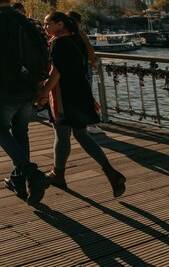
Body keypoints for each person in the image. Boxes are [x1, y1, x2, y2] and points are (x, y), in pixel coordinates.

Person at [38, 12, 126, 197]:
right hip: (81, 92)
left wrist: (43, 94)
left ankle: (59, 173)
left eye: (48, 24)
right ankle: (108, 171)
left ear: (59, 24)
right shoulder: (76, 38)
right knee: (79, 133)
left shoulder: (58, 43)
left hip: (64, 96)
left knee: (62, 134)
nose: (45, 27)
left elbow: (56, 73)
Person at [0, 0, 49, 204]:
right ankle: (19, 181)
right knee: (21, 134)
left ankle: (32, 174)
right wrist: (42, 88)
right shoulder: (27, 21)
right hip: (29, 86)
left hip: (6, 87)